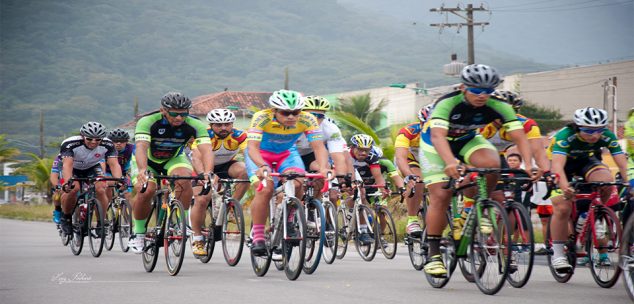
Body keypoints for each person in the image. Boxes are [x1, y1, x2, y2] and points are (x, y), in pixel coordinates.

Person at [419, 64, 536, 277]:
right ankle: (434, 254)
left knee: (491, 165)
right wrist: (450, 162)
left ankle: (478, 206)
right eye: (476, 91)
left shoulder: (499, 105)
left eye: (488, 91)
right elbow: (437, 137)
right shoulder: (447, 103)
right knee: (441, 195)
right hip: (435, 145)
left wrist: (529, 164)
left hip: (468, 140)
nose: (483, 96)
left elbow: (520, 136)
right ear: (463, 87)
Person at [246, 90, 332, 256]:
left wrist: (323, 168)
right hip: (260, 154)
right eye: (286, 113)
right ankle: (258, 236)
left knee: (298, 181)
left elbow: (319, 147)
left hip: (287, 154)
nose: (292, 117)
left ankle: (290, 219)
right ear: (274, 111)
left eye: (296, 112)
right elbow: (252, 148)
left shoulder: (308, 119)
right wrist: (262, 166)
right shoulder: (261, 117)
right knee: (265, 189)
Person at [128, 92, 213, 254]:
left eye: (184, 113)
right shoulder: (148, 121)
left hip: (173, 158)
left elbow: (206, 150)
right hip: (147, 160)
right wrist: (143, 171)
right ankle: (138, 233)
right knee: (147, 190)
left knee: (184, 178)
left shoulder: (195, 124)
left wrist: (208, 172)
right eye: (174, 113)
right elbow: (141, 147)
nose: (179, 118)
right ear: (163, 110)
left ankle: (182, 223)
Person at [548, 107, 628, 272]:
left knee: (606, 181)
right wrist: (564, 187)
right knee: (563, 207)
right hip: (562, 165)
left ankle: (597, 212)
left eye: (599, 130)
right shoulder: (564, 136)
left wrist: (630, 184)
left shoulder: (607, 136)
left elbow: (622, 163)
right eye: (588, 131)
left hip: (587, 161)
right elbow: (557, 166)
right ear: (578, 127)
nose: (595, 135)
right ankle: (558, 255)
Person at [189, 108, 248, 257]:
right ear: (211, 125)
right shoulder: (203, 135)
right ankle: (197, 238)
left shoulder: (239, 136)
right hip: (202, 167)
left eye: (227, 124)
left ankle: (232, 206)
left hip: (226, 166)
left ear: (232, 124)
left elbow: (249, 154)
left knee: (245, 173)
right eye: (218, 125)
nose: (223, 128)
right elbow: (196, 157)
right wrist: (205, 175)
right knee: (202, 200)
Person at [59, 122, 122, 236]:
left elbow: (114, 164)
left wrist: (119, 180)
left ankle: (101, 222)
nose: (93, 142)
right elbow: (67, 165)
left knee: (101, 188)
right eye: (89, 139)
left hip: (92, 167)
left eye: (97, 140)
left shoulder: (108, 144)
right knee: (73, 188)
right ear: (82, 136)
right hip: (73, 167)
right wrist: (68, 183)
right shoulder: (70, 143)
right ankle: (66, 218)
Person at [295, 95, 352, 201]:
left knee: (324, 170)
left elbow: (338, 156)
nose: (315, 118)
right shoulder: (293, 125)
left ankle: (312, 206)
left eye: (320, 116)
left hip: (311, 154)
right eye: (311, 115)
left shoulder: (330, 128)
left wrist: (342, 178)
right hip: (291, 154)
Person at [395, 104, 433, 237]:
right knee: (417, 181)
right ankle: (412, 220)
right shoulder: (408, 132)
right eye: (427, 124)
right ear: (421, 122)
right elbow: (401, 158)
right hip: (411, 161)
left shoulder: (447, 132)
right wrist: (409, 176)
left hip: (432, 161)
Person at [105, 128, 134, 203]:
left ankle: (127, 212)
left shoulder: (131, 148)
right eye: (115, 141)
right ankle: (108, 204)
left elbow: (135, 163)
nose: (118, 143)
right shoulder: (105, 148)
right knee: (109, 183)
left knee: (129, 190)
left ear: (127, 142)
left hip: (123, 172)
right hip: (107, 171)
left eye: (122, 141)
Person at [49, 154, 63, 224]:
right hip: (63, 180)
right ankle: (58, 210)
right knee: (58, 192)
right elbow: (53, 176)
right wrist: (57, 186)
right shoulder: (59, 158)